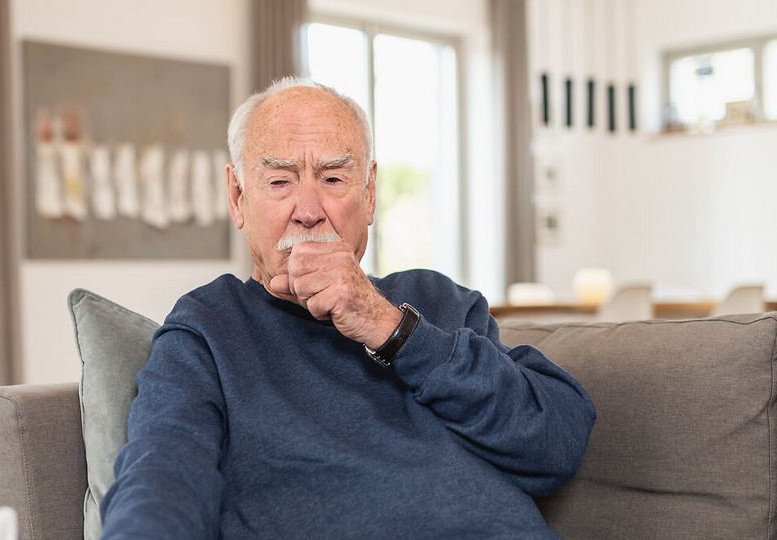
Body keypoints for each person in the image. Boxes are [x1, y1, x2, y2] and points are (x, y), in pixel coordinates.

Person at [99, 77, 596, 539]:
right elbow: (160, 477)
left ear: (370, 194)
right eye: (280, 182)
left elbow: (554, 444)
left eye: (334, 179)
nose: (309, 210)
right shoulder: (208, 329)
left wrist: (390, 328)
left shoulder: (438, 302)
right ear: (237, 197)